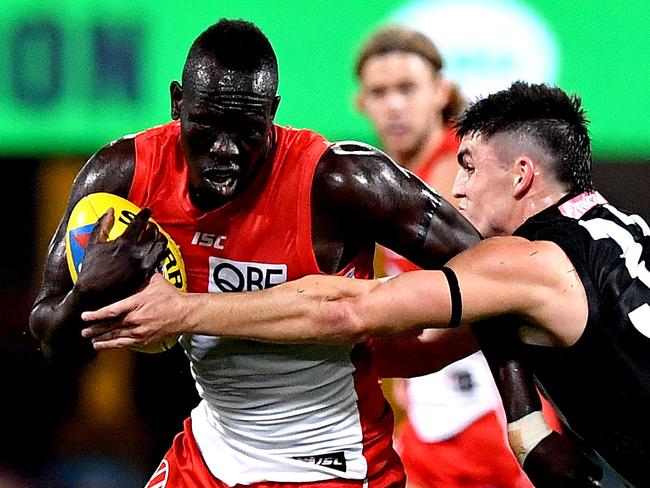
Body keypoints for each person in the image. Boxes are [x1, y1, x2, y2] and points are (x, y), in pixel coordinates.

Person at [81, 82, 641, 487]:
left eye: (468, 166)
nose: (459, 189)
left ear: (521, 175)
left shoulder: (530, 261)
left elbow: (345, 310)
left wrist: (183, 312)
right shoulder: (619, 230)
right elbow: (430, 344)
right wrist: (527, 428)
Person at [29, 19, 484, 488]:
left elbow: (498, 276)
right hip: (210, 456)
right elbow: (51, 337)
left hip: (330, 463)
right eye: (206, 127)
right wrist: (87, 295)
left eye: (247, 130)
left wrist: (524, 422)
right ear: (176, 104)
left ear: (272, 113)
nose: (225, 150)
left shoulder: (341, 182)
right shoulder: (122, 176)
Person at [355, 26, 530, 488]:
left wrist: (525, 420)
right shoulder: (387, 182)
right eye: (379, 92)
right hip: (429, 423)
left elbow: (514, 298)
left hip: (488, 419)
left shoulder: (464, 176)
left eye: (407, 89)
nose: (394, 105)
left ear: (440, 92)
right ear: (361, 103)